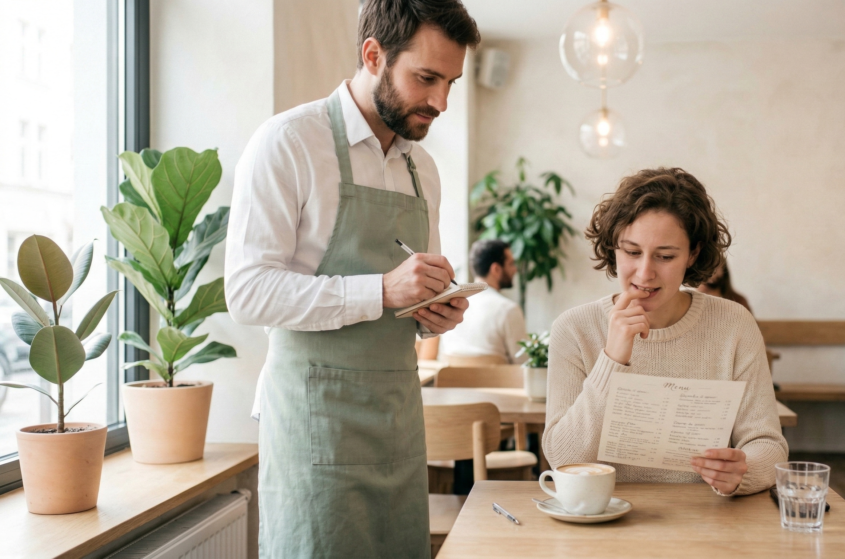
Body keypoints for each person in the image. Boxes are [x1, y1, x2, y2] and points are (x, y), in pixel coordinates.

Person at [224, 1, 480, 557]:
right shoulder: (289, 143)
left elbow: (411, 294)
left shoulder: (424, 170)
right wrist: (383, 290)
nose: (440, 102)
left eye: (451, 82)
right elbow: (246, 293)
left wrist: (435, 311)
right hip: (313, 426)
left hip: (398, 419)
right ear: (373, 55)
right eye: (427, 78)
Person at [543, 168, 788, 496]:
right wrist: (612, 358)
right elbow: (563, 460)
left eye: (665, 256)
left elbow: (768, 444)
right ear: (613, 248)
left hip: (706, 523)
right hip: (602, 523)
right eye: (631, 252)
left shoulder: (734, 325)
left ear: (693, 254)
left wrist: (742, 471)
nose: (644, 273)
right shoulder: (574, 329)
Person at [441, 239, 527, 364]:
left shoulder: (451, 305)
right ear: (496, 269)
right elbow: (524, 362)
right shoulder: (508, 309)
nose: (515, 270)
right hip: (498, 383)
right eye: (511, 264)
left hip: (452, 382)